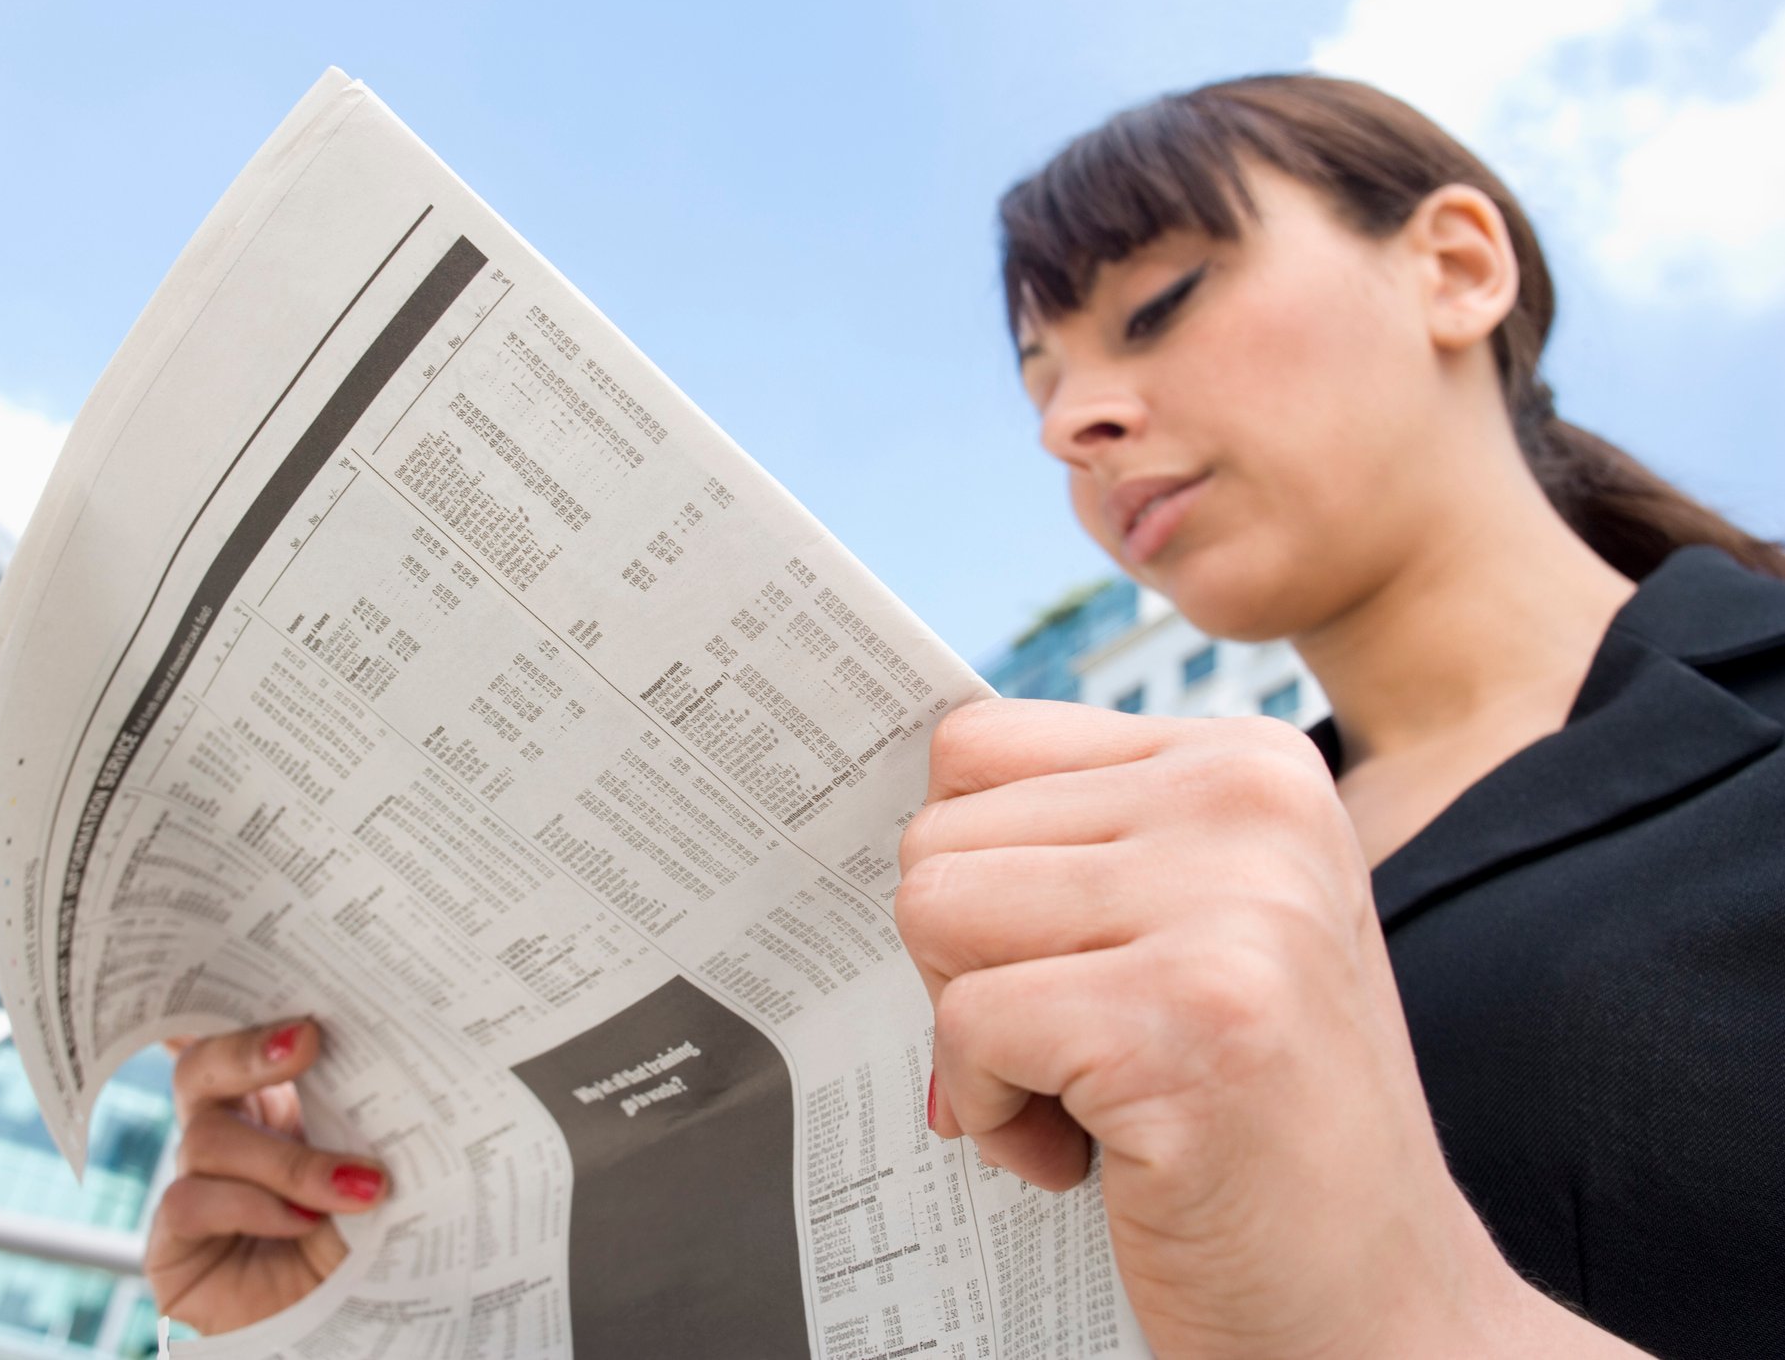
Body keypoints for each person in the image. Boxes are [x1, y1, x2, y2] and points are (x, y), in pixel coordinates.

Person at [143, 75, 1785, 1357]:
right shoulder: (1081, 884)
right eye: (1037, 383)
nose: (1079, 418)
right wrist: (370, 1282)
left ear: (1452, 263)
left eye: (1153, 309)